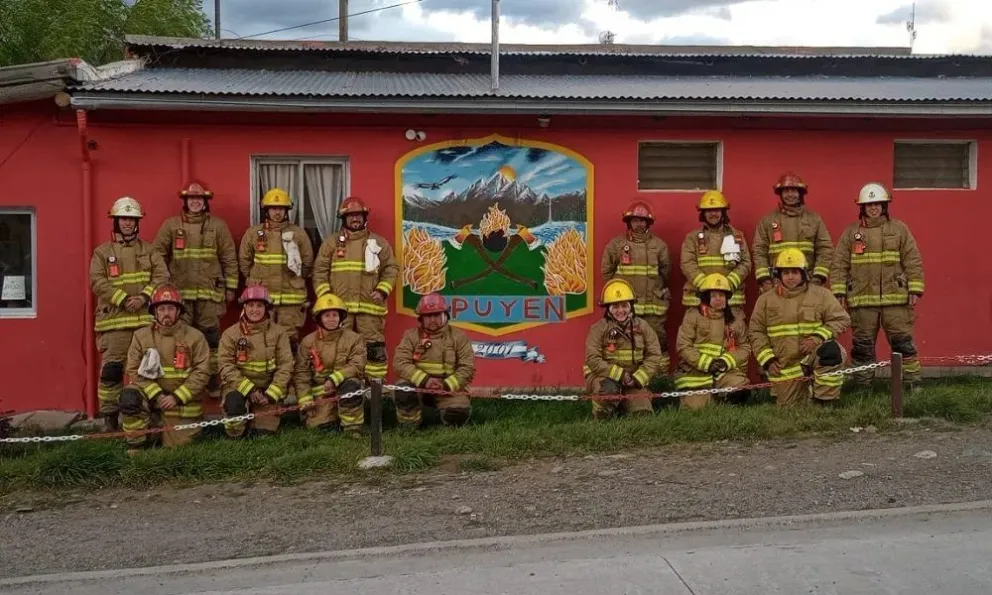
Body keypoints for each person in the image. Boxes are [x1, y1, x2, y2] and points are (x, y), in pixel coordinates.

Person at [830, 182, 925, 388]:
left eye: (878, 204)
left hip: (896, 300)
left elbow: (912, 259)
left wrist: (915, 288)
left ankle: (912, 385)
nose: (874, 208)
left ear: (884, 206)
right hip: (862, 301)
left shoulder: (899, 229)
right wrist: (838, 292)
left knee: (903, 344)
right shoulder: (850, 233)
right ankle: (863, 387)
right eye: (869, 205)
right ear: (862, 207)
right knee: (863, 346)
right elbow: (839, 264)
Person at [89, 197, 169, 429]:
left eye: (132, 219)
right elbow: (96, 281)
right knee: (112, 372)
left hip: (145, 322)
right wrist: (123, 299)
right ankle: (110, 418)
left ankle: (150, 413)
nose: (127, 223)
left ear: (137, 222)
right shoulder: (102, 253)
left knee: (151, 368)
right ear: (115, 221)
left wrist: (144, 297)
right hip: (114, 324)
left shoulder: (149, 249)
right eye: (123, 218)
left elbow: (162, 276)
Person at [153, 181, 238, 395]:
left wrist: (231, 287)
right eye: (191, 199)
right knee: (180, 337)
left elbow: (229, 257)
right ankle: (182, 379)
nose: (195, 203)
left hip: (210, 294)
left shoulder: (218, 226)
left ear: (205, 202)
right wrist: (162, 286)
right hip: (179, 296)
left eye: (199, 199)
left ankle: (211, 379)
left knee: (211, 338)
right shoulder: (171, 226)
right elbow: (157, 256)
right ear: (185, 201)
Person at [749, 248, 851, 407]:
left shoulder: (821, 295)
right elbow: (756, 332)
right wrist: (767, 360)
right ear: (779, 275)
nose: (790, 277)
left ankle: (825, 402)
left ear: (803, 273)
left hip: (811, 356)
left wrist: (818, 337)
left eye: (795, 272)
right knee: (790, 410)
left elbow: (841, 318)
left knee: (832, 351)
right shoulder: (765, 300)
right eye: (786, 273)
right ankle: (808, 395)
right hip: (786, 367)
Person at [312, 197, 399, 382]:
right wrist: (327, 300)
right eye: (351, 216)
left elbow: (391, 269)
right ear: (343, 219)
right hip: (340, 312)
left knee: (374, 349)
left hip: (370, 308)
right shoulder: (331, 244)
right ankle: (343, 387)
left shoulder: (378, 243)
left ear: (364, 217)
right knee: (340, 350)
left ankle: (375, 394)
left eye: (358, 215)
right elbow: (319, 272)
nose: (355, 219)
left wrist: (382, 290)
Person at [122, 284, 209, 451]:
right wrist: (157, 394)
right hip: (153, 398)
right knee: (130, 397)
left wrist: (176, 397)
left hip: (182, 402)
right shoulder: (141, 336)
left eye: (170, 308)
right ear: (155, 312)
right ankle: (137, 446)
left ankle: (159, 431)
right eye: (161, 309)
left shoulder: (195, 337)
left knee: (180, 448)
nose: (166, 313)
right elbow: (133, 370)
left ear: (178, 311)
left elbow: (202, 372)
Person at [238, 187, 314, 354]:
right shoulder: (253, 234)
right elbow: (244, 263)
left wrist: (295, 281)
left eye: (281, 208)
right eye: (273, 208)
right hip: (263, 299)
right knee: (261, 337)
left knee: (290, 339)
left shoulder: (298, 234)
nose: (277, 212)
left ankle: (289, 376)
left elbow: (307, 264)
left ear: (287, 211)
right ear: (267, 210)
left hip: (291, 300)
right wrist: (256, 281)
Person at [217, 286, 294, 438]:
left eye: (259, 305)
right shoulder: (231, 333)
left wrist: (271, 394)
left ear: (266, 308)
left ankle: (260, 421)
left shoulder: (279, 333)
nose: (254, 310)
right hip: (238, 387)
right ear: (244, 307)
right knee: (234, 404)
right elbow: (225, 366)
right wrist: (249, 390)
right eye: (250, 305)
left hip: (267, 389)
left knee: (263, 435)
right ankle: (235, 434)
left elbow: (286, 366)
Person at [583, 279, 665, 420]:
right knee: (608, 392)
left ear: (631, 306)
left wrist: (638, 378)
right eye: (615, 306)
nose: (620, 311)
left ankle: (624, 406)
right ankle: (602, 417)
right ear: (608, 308)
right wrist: (620, 375)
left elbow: (654, 355)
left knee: (642, 415)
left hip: (633, 380)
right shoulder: (598, 329)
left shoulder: (643, 327)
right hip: (603, 378)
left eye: (624, 305)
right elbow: (592, 359)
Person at [392, 293, 475, 429]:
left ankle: (448, 424)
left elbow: (467, 368)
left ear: (445, 316)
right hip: (418, 385)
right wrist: (425, 381)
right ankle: (410, 427)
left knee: (458, 412)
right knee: (404, 392)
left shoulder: (459, 337)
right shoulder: (410, 336)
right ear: (421, 319)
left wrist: (446, 385)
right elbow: (400, 363)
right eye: (428, 316)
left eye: (437, 315)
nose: (432, 320)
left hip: (448, 388)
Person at [601, 200, 673, 348]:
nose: (639, 224)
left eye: (642, 220)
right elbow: (607, 272)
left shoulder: (660, 246)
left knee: (657, 342)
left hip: (653, 308)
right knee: (625, 343)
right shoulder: (616, 245)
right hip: (624, 307)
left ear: (648, 223)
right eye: (635, 220)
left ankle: (660, 371)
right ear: (628, 222)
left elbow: (666, 273)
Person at [674, 273, 751, 408]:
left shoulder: (734, 320)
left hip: (723, 370)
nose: (718, 299)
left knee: (741, 388)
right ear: (706, 297)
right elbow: (683, 346)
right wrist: (706, 363)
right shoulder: (692, 316)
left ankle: (727, 406)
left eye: (721, 295)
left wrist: (725, 361)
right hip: (695, 371)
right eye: (714, 295)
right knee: (697, 410)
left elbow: (744, 347)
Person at [293, 293, 366, 434]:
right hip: (321, 395)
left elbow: (357, 365)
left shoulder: (354, 339)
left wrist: (334, 379)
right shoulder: (308, 342)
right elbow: (301, 374)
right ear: (319, 318)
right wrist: (305, 400)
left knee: (351, 384)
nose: (331, 319)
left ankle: (352, 429)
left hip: (345, 388)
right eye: (327, 316)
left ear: (341, 317)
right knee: (322, 429)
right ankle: (329, 419)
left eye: (335, 315)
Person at [753, 172, 834, 291]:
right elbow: (759, 251)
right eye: (786, 191)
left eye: (794, 191)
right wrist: (765, 280)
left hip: (808, 283)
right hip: (776, 284)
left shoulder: (814, 219)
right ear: (780, 194)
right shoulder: (767, 220)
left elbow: (825, 249)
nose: (790, 195)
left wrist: (818, 278)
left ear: (800, 193)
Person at [679, 190, 751, 314]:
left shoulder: (737, 236)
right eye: (709, 210)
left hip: (731, 300)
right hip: (699, 299)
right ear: (703, 213)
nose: (713, 214)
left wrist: (729, 283)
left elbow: (746, 262)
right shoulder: (692, 238)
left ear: (723, 212)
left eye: (717, 210)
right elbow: (687, 263)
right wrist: (706, 286)